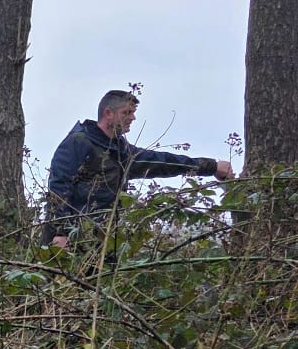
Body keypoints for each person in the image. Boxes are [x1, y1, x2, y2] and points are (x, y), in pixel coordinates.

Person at [42, 89, 235, 248]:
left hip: (102, 239)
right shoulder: (79, 142)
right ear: (108, 113)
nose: (132, 118)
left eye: (133, 113)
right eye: (126, 113)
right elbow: (59, 188)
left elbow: (162, 162)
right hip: (71, 240)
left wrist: (211, 166)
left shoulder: (122, 151)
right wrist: (61, 232)